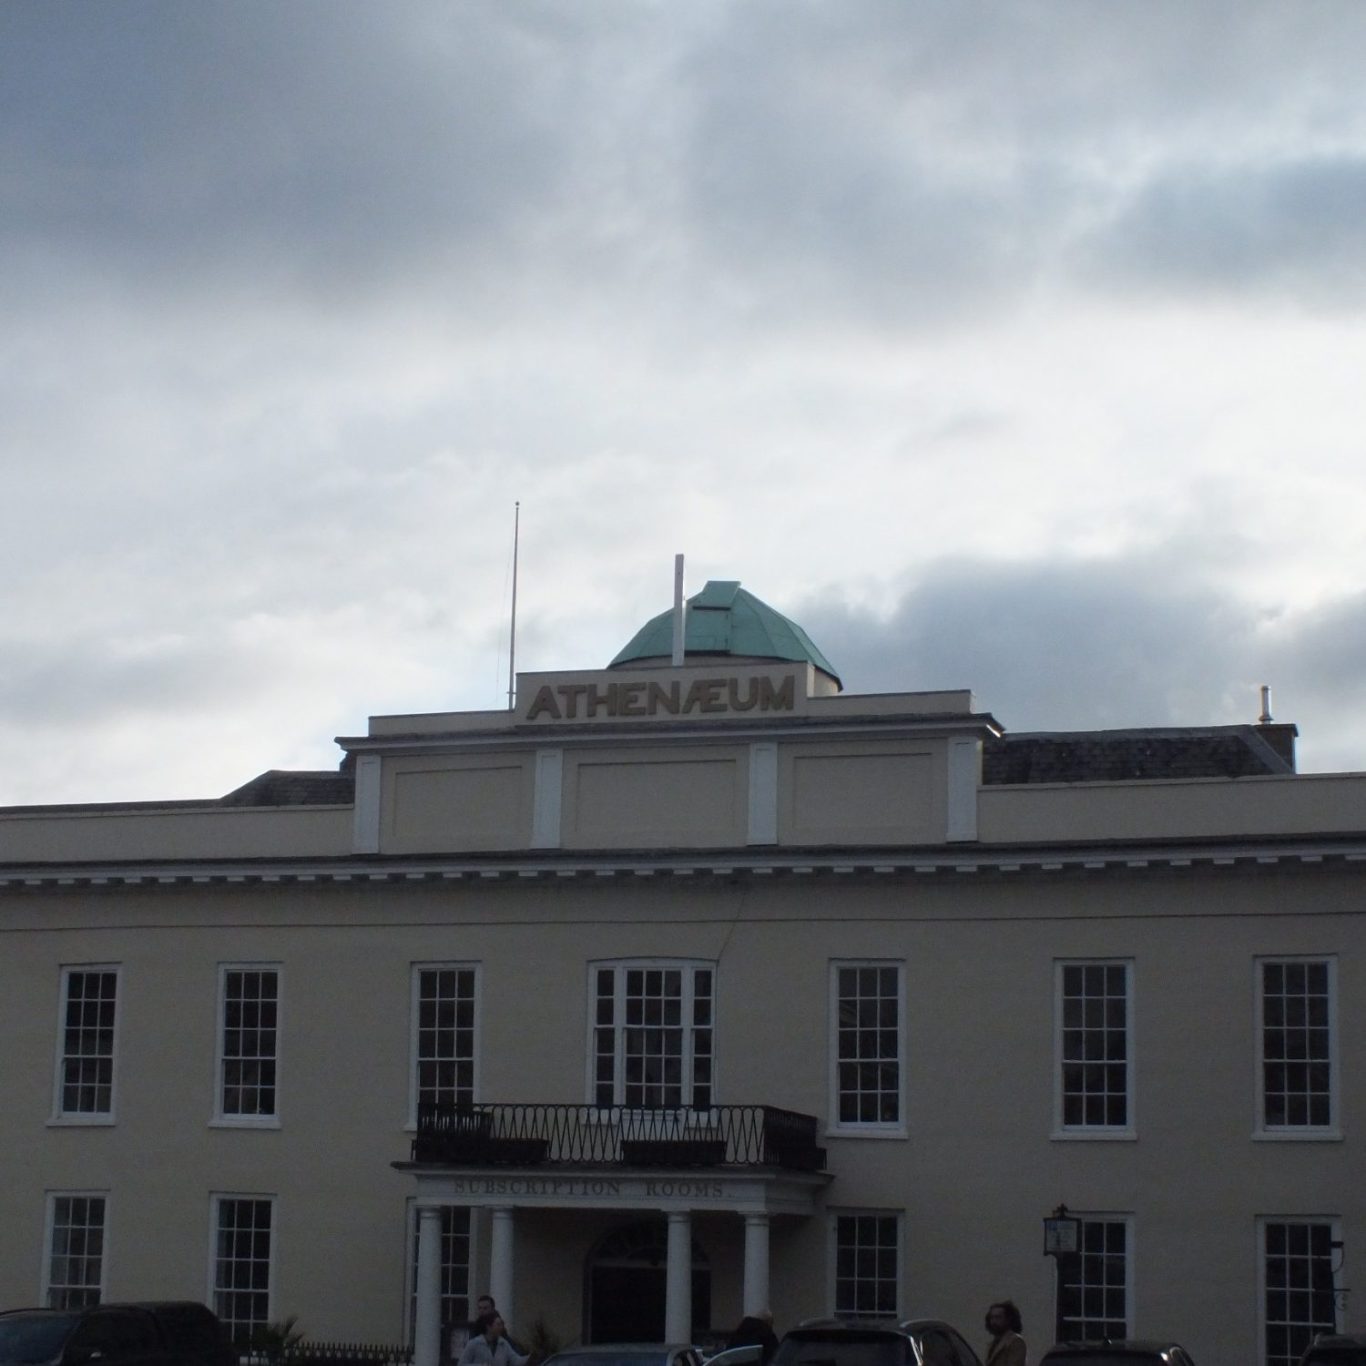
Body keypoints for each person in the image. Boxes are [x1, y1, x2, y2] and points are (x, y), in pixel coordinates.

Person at [457, 1313, 530, 1366]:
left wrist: (530, 1357)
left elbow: (516, 1361)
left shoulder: (503, 1344)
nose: (501, 1327)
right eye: (498, 1325)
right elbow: (461, 1364)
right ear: (489, 1327)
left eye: (502, 1324)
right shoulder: (474, 1344)